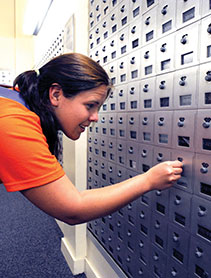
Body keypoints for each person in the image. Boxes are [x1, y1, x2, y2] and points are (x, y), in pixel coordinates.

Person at [0, 53, 183, 225]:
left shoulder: (15, 100)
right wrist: (148, 180)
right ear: (55, 94)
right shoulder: (12, 123)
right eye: (90, 105)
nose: (95, 117)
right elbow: (73, 209)